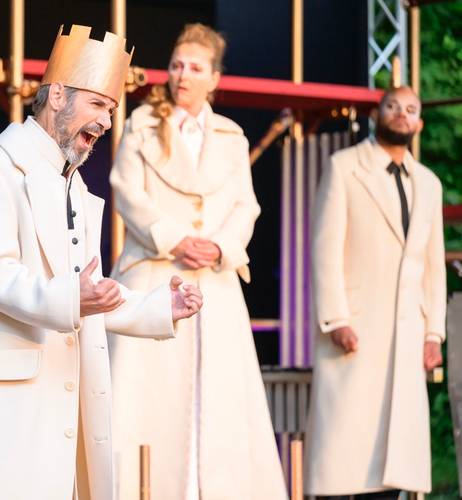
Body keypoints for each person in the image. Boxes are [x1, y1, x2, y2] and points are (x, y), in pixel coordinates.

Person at [0, 24, 203, 500]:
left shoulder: (73, 185)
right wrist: (73, 298)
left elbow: (90, 292)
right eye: (98, 105)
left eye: (111, 110)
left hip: (53, 396)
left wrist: (159, 307)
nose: (106, 122)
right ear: (57, 96)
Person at [108, 23, 287, 500]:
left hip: (215, 284)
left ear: (214, 78)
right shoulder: (142, 125)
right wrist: (174, 240)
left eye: (194, 67)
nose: (182, 75)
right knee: (149, 396)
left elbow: (245, 205)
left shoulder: (231, 136)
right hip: (156, 275)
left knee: (219, 399)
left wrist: (221, 246)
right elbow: (127, 193)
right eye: (176, 65)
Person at [305, 86, 446, 499]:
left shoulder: (429, 183)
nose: (401, 114)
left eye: (411, 109)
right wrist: (336, 317)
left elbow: (433, 265)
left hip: (407, 332)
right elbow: (325, 248)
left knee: (393, 455)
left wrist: (433, 333)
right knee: (343, 451)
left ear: (419, 123)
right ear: (376, 115)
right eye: (393, 106)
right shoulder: (344, 167)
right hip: (356, 326)